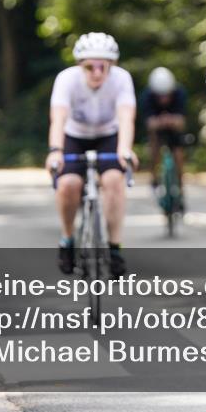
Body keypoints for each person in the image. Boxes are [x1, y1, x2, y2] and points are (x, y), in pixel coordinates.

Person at [46, 32, 138, 278]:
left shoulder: (121, 79)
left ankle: (115, 248)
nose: (97, 72)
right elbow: (58, 119)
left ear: (112, 65)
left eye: (103, 66)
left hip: (108, 135)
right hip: (74, 135)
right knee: (68, 184)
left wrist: (125, 149)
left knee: (113, 181)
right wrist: (55, 151)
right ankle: (67, 239)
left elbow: (126, 118)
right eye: (90, 66)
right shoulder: (66, 80)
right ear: (80, 65)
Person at [140, 67, 187, 207]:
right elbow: (149, 124)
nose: (164, 99)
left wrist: (168, 121)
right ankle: (154, 176)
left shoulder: (179, 93)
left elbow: (181, 123)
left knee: (178, 154)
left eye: (167, 95)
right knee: (154, 146)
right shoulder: (146, 96)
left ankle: (180, 187)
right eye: (160, 96)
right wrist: (165, 121)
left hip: (174, 131)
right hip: (157, 132)